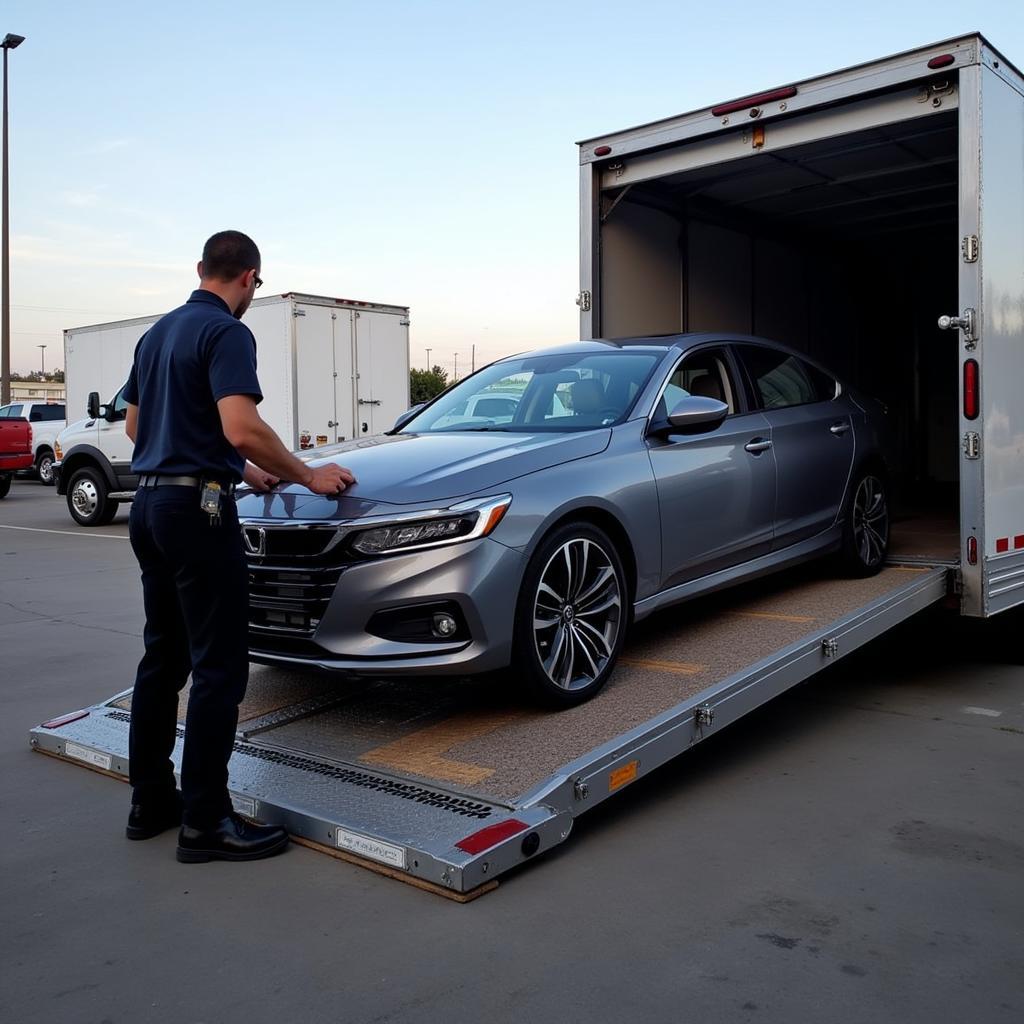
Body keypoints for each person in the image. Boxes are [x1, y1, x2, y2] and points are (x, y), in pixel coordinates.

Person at [122, 230, 353, 863]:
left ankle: (150, 801)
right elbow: (240, 424)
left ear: (201, 269)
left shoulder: (158, 333)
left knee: (163, 660)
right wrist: (309, 474)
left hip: (150, 505)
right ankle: (206, 822)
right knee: (221, 665)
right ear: (250, 278)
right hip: (198, 514)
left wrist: (242, 470)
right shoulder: (227, 332)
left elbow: (139, 427)